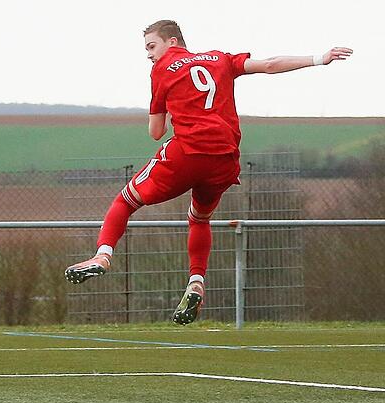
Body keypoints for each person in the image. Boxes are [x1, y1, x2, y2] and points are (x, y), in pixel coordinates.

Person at [65, 20, 352, 325]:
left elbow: (155, 131)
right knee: (199, 218)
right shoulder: (220, 59)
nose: (149, 55)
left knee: (125, 201)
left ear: (172, 42)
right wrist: (320, 58)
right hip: (224, 158)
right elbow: (268, 65)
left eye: (151, 46)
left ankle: (103, 256)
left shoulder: (162, 69)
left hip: (188, 153)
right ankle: (196, 281)